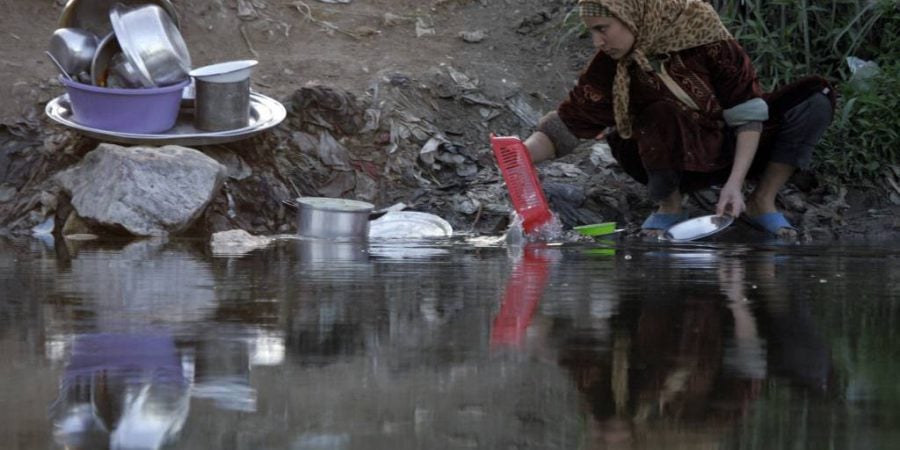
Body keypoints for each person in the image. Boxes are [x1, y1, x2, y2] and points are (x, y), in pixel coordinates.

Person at [524, 0, 835, 240]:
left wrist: (735, 184)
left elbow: (747, 112)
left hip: (732, 146)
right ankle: (669, 205)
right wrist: (519, 155)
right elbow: (570, 122)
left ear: (632, 15)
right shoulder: (610, 63)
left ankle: (762, 201)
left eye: (602, 28)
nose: (597, 41)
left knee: (814, 97)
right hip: (666, 159)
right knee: (658, 108)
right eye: (591, 31)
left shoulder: (703, 33)